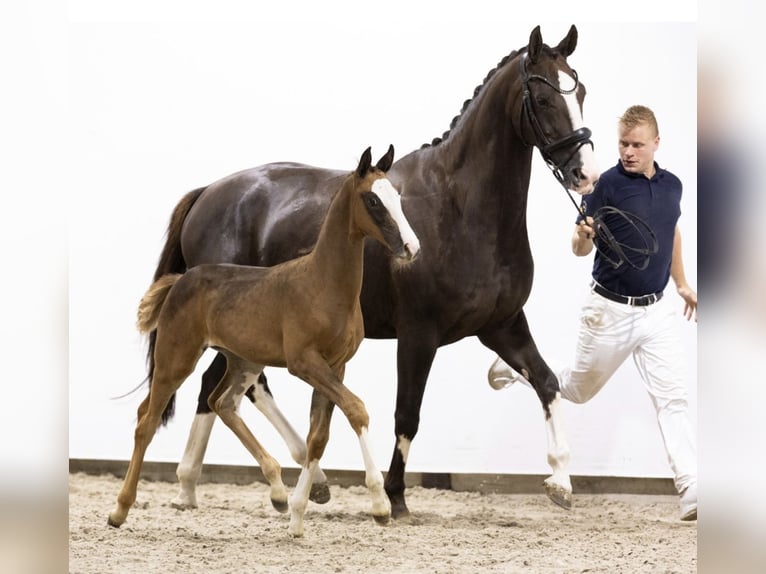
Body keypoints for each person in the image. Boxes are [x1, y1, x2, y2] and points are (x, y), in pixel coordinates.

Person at [488, 105, 698, 521]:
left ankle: (692, 487)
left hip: (656, 312)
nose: (629, 152)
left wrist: (682, 283)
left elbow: (670, 231)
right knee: (578, 391)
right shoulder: (605, 186)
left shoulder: (672, 185)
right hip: (609, 311)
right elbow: (579, 247)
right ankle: (517, 367)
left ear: (656, 143)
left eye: (638, 144)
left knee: (673, 397)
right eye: (623, 143)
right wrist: (582, 235)